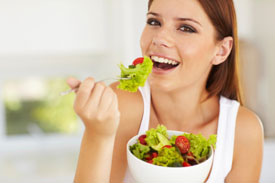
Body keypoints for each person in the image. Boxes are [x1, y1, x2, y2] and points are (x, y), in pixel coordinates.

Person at [67, 0, 264, 182]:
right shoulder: (123, 103)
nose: (159, 38)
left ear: (221, 50)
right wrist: (98, 134)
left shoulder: (243, 130)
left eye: (186, 28)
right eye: (154, 22)